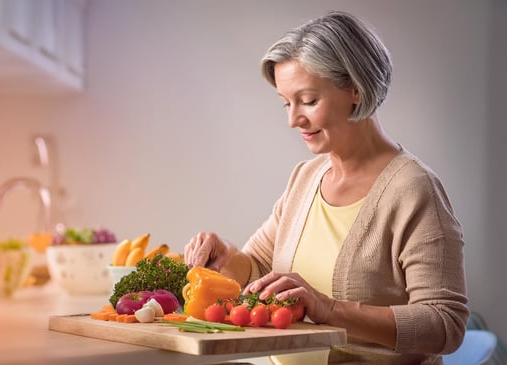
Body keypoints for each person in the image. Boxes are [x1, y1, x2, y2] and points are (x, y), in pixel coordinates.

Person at [184, 10, 468, 365]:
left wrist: (329, 309)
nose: (293, 120)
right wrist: (227, 259)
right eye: (286, 103)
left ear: (354, 87)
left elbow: (445, 323)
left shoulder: (413, 189)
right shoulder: (305, 178)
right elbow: (258, 267)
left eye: (308, 100)